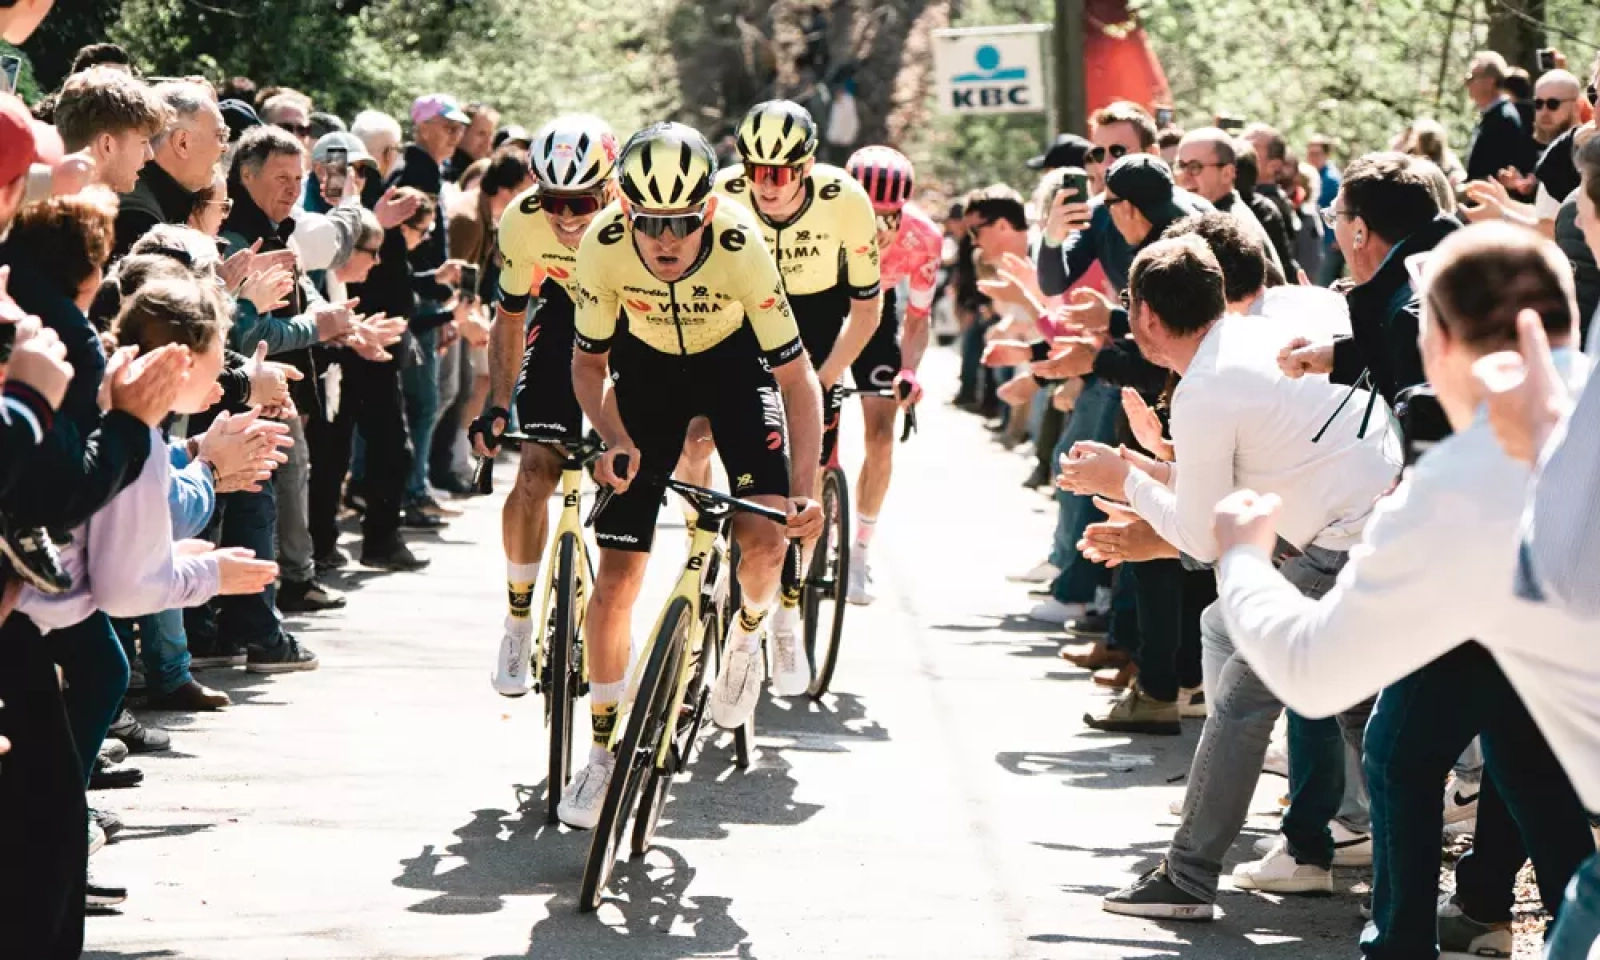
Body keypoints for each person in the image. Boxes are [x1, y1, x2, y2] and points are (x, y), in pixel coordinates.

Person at [1213, 222, 1595, 959]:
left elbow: (1314, 672)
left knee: (1400, 748)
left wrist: (1242, 560)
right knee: (1511, 747)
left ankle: (1402, 943)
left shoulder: (1457, 480)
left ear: (1443, 346)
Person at [1061, 234, 1399, 917]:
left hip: (1344, 536)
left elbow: (1201, 533)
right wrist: (1143, 477)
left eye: (1129, 304)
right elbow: (1221, 489)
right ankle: (1405, 886)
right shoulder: (1241, 345)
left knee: (1251, 699)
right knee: (1360, 713)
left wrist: (1126, 476)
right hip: (1362, 526)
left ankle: (1187, 876)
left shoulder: (1206, 386)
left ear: (1148, 317)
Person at [558, 122, 823, 829]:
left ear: (707, 210)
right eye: (648, 222)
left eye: (680, 221)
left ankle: (746, 637)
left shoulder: (743, 245)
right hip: (645, 379)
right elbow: (587, 365)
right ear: (624, 209)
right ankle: (603, 753)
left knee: (764, 536)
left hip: (734, 370)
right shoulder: (603, 246)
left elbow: (797, 382)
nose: (664, 239)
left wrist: (806, 490)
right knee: (616, 578)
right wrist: (612, 436)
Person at [712, 99, 881, 689]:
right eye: (755, 169)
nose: (766, 184)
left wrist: (828, 375)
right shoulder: (721, 192)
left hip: (814, 322)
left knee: (802, 478)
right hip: (741, 319)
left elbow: (867, 308)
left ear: (807, 167)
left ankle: (787, 608)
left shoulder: (846, 201)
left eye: (780, 172)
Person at [470, 115, 618, 697]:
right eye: (551, 198)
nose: (564, 216)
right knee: (535, 470)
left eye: (580, 200)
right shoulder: (522, 221)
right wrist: (496, 403)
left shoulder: (637, 222)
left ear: (609, 189)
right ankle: (517, 618)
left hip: (633, 322)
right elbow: (509, 319)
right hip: (565, 317)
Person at [833, 145, 937, 604]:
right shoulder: (821, 216)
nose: (878, 226)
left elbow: (917, 319)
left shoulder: (923, 237)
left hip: (877, 310)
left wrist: (910, 371)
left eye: (888, 216)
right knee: (811, 419)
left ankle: (858, 550)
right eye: (866, 214)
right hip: (823, 305)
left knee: (880, 436)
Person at [1282, 152, 1455, 408]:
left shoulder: (1414, 317)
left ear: (1360, 232)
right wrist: (1338, 356)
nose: (1333, 228)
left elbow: (1434, 436)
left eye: (1334, 217)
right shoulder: (1438, 279)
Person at [115, 79, 228, 259]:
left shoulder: (152, 201)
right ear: (182, 143)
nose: (225, 147)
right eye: (220, 135)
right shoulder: (139, 218)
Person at [1173, 126, 1281, 272]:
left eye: (1195, 166)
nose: (1184, 177)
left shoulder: (1231, 231)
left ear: (1227, 173)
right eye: (1180, 165)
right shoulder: (1208, 217)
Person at [51, 66, 166, 195]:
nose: (150, 155)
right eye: (143, 142)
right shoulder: (75, 213)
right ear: (107, 145)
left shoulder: (38, 202)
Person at [1463, 51, 1538, 187]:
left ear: (1489, 81)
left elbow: (1494, 175)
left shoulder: (1504, 119)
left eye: (1471, 78)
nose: (1466, 83)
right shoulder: (1491, 115)